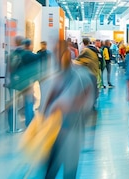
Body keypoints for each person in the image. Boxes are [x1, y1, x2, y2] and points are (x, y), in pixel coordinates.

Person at [44, 39, 96, 179]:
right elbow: (50, 100)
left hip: (71, 132)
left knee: (69, 171)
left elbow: (86, 99)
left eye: (59, 53)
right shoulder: (57, 75)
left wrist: (66, 106)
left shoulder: (80, 75)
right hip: (54, 133)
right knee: (50, 171)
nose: (57, 57)